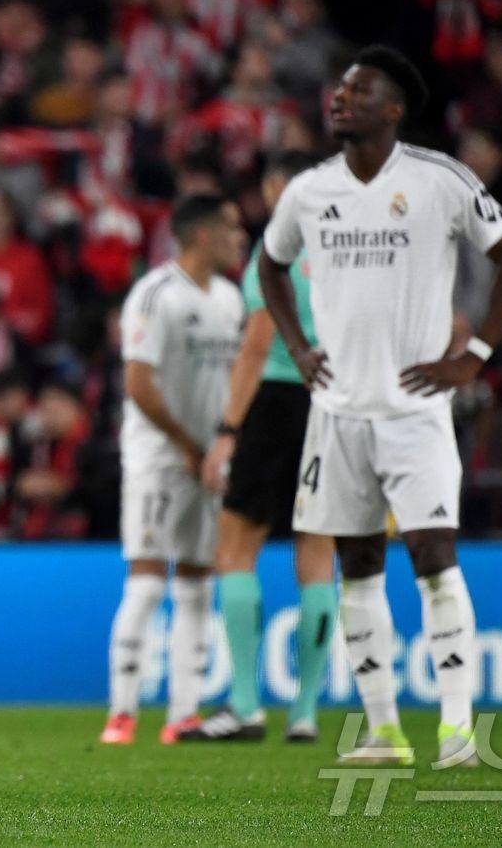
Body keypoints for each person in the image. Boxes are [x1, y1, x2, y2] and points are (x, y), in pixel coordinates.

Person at [257, 45, 502, 768]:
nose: (340, 98)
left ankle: (457, 733)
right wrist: (298, 343)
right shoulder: (309, 189)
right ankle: (383, 733)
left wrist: (472, 357)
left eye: (359, 90)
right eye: (340, 87)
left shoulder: (440, 179)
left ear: (394, 109)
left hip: (415, 412)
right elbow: (270, 264)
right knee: (356, 564)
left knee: (435, 557)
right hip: (338, 412)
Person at [188, 151, 335, 744]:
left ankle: (246, 705)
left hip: (275, 401)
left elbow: (258, 342)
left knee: (236, 549)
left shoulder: (276, 249)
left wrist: (227, 431)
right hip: (333, 404)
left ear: (279, 187)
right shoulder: (343, 249)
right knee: (318, 555)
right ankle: (304, 712)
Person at [101, 193, 246, 746]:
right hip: (160, 458)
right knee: (145, 581)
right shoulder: (155, 293)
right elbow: (138, 383)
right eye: (232, 228)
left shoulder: (232, 300)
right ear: (202, 236)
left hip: (208, 461)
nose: (241, 239)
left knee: (195, 582)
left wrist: (220, 447)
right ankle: (122, 712)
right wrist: (188, 445)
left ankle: (184, 713)